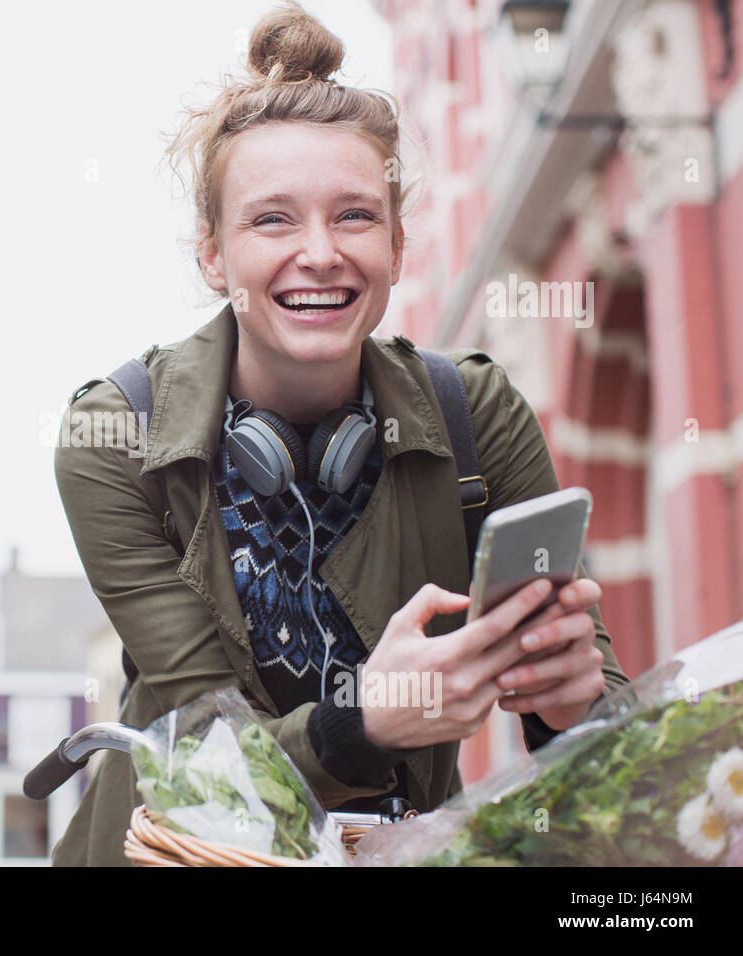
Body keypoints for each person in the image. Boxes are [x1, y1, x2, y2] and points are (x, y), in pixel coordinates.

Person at [50, 1, 630, 867]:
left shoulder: (475, 414)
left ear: (398, 246)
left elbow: (617, 748)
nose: (320, 253)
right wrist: (361, 724)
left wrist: (574, 701)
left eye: (356, 216)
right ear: (213, 254)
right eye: (273, 219)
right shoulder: (113, 436)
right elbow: (210, 773)